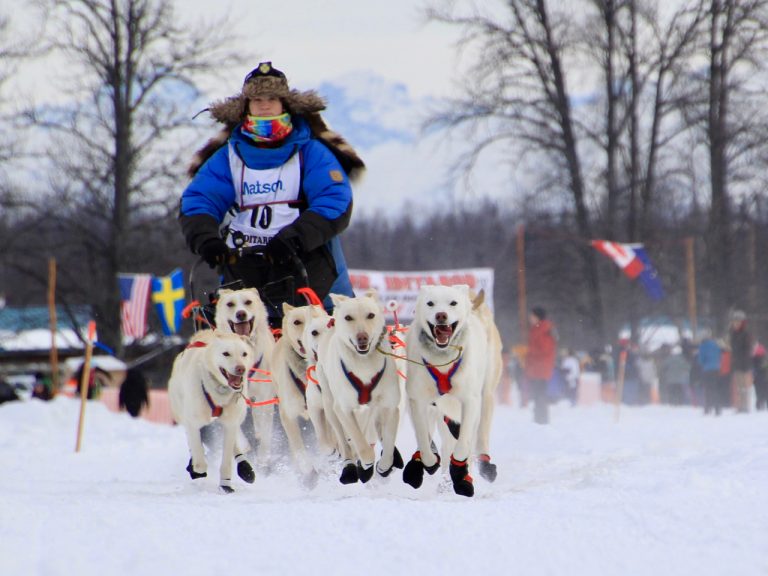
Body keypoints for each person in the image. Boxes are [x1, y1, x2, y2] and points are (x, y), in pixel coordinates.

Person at [179, 62, 364, 326]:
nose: (264, 105)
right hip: (244, 263)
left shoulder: (310, 152)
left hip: (304, 262)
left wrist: (296, 238)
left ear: (285, 104)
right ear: (246, 107)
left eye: (272, 99)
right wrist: (206, 238)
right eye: (257, 100)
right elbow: (200, 200)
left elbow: (333, 199)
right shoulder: (229, 156)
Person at [525, 306, 557, 424]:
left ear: (537, 317)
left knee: (540, 394)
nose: (530, 318)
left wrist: (530, 352)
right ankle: (539, 418)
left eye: (532, 316)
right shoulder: (537, 328)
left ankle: (542, 420)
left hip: (541, 367)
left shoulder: (544, 329)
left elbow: (545, 348)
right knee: (537, 394)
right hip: (537, 367)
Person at [728, 310, 753, 413]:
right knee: (738, 386)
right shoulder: (733, 333)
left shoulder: (745, 334)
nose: (735, 324)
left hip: (744, 363)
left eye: (737, 321)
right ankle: (739, 405)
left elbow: (747, 349)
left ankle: (745, 406)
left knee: (744, 386)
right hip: (736, 362)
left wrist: (744, 362)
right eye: (734, 321)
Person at [696, 330, 723, 415]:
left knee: (708, 388)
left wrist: (701, 364)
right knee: (715, 388)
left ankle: (708, 407)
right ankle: (717, 407)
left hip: (707, 369)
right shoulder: (715, 344)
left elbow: (701, 359)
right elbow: (719, 354)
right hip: (717, 368)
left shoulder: (702, 346)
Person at [752, 342, 768, 411]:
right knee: (765, 391)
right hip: (765, 378)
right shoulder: (765, 360)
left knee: (758, 392)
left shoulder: (753, 360)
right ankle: (764, 402)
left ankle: (759, 403)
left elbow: (753, 370)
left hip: (757, 378)